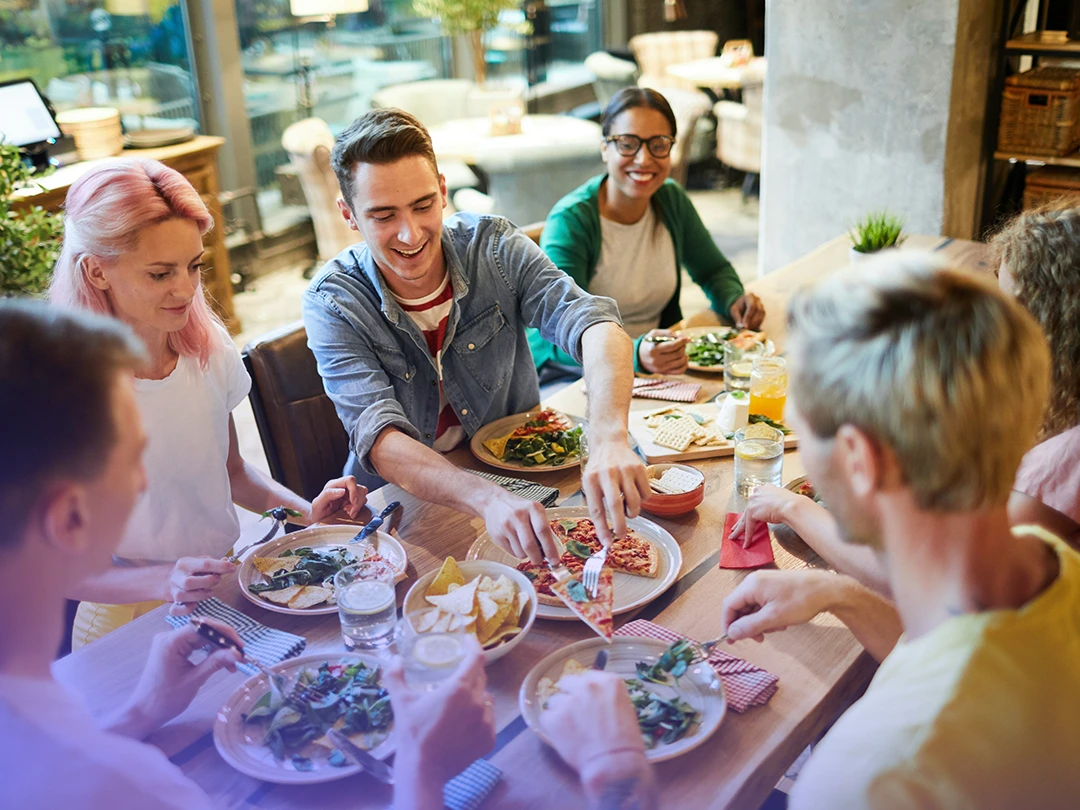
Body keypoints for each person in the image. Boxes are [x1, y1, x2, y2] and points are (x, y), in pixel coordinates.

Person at [0, 299, 644, 810]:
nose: (145, 480)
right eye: (131, 460)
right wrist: (611, 762)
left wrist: (142, 710)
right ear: (68, 516)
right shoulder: (110, 784)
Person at [718, 257, 1080, 808]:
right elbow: (958, 658)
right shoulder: (1053, 560)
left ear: (860, 459)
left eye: (802, 429)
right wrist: (839, 593)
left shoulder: (873, 776)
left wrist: (616, 772)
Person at [303, 108, 650, 563]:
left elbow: (594, 323)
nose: (410, 233)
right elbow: (380, 435)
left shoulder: (496, 248)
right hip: (397, 510)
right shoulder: (332, 301)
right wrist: (487, 498)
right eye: (384, 215)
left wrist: (609, 436)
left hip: (521, 482)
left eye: (424, 205)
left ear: (443, 191)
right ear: (349, 214)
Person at [48, 159, 367, 647]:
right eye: (160, 273)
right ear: (96, 271)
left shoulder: (206, 348)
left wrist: (310, 516)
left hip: (223, 589)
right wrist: (161, 580)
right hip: (126, 618)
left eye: (194, 265)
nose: (186, 288)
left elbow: (234, 473)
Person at [528, 87, 764, 379]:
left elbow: (713, 271)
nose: (643, 159)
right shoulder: (572, 221)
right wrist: (635, 352)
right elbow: (557, 332)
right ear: (605, 147)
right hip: (577, 375)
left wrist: (734, 299)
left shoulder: (671, 199)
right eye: (627, 144)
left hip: (656, 371)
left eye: (659, 144)